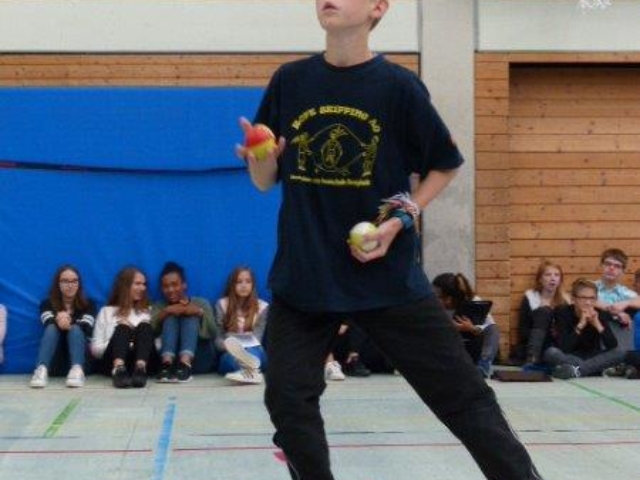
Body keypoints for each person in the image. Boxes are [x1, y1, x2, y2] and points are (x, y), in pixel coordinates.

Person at [235, 1, 543, 478]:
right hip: (306, 275)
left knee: (464, 396)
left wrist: (401, 218)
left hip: (386, 276)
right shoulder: (290, 81)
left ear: (378, 7)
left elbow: (444, 164)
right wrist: (261, 160)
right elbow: (264, 181)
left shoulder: (398, 87)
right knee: (287, 400)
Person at [543, 278, 625, 379]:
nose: (588, 302)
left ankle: (576, 371)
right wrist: (581, 325)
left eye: (592, 298)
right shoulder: (563, 312)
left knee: (619, 352)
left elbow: (612, 345)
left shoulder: (599, 313)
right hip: (570, 356)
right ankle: (591, 370)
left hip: (593, 356)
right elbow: (564, 347)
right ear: (573, 299)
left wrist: (597, 324)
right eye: (583, 298)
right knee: (551, 352)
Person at [29, 265, 96, 388]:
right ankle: (41, 369)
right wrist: (59, 319)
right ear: (58, 284)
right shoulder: (47, 304)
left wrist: (66, 320)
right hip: (55, 362)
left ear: (79, 284)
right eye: (65, 281)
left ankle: (77, 370)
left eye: (74, 281)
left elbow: (86, 326)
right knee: (51, 328)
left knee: (76, 329)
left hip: (81, 361)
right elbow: (47, 321)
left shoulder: (89, 304)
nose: (70, 285)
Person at [91, 266, 156, 388]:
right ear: (125, 286)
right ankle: (119, 370)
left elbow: (158, 344)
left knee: (144, 326)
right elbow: (95, 350)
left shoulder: (148, 311)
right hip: (111, 361)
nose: (143, 288)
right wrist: (121, 341)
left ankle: (140, 369)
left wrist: (136, 340)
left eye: (144, 284)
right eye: (138, 284)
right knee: (122, 328)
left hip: (145, 362)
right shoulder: (106, 311)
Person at [151, 261, 216, 383]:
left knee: (190, 314)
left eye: (174, 284)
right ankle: (166, 364)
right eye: (166, 286)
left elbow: (213, 332)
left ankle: (185, 363)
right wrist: (166, 312)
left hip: (199, 358)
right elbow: (150, 333)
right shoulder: (159, 306)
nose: (170, 289)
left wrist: (199, 312)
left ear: (184, 285)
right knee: (171, 315)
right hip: (169, 361)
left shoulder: (201, 303)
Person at [432, 272, 500, 378]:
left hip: (472, 346)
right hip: (451, 349)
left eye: (438, 296)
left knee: (492, 329)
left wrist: (471, 328)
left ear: (449, 298)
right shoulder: (435, 307)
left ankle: (484, 364)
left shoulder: (474, 301)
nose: (436, 299)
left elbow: (488, 328)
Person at [214, 266, 268, 385]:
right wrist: (230, 346)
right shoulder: (222, 304)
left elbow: (257, 340)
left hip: (255, 351)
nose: (244, 285)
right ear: (232, 285)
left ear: (253, 285)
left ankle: (248, 370)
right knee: (229, 359)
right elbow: (218, 340)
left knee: (253, 353)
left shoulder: (262, 307)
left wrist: (237, 342)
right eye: (239, 282)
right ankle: (251, 372)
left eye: (248, 281)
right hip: (230, 353)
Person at [511, 260, 571, 368]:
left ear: (560, 280)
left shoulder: (565, 300)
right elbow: (523, 332)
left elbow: (568, 332)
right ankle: (532, 359)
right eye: (548, 275)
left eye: (556, 275)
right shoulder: (531, 297)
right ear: (540, 279)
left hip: (555, 346)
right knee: (544, 311)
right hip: (533, 344)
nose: (553, 278)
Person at [593, 248, 636, 350]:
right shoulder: (590, 287)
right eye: (608, 264)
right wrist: (616, 312)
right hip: (592, 339)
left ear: (623, 271)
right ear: (601, 266)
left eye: (617, 266)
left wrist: (627, 303)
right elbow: (583, 300)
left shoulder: (625, 293)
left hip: (619, 340)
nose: (611, 268)